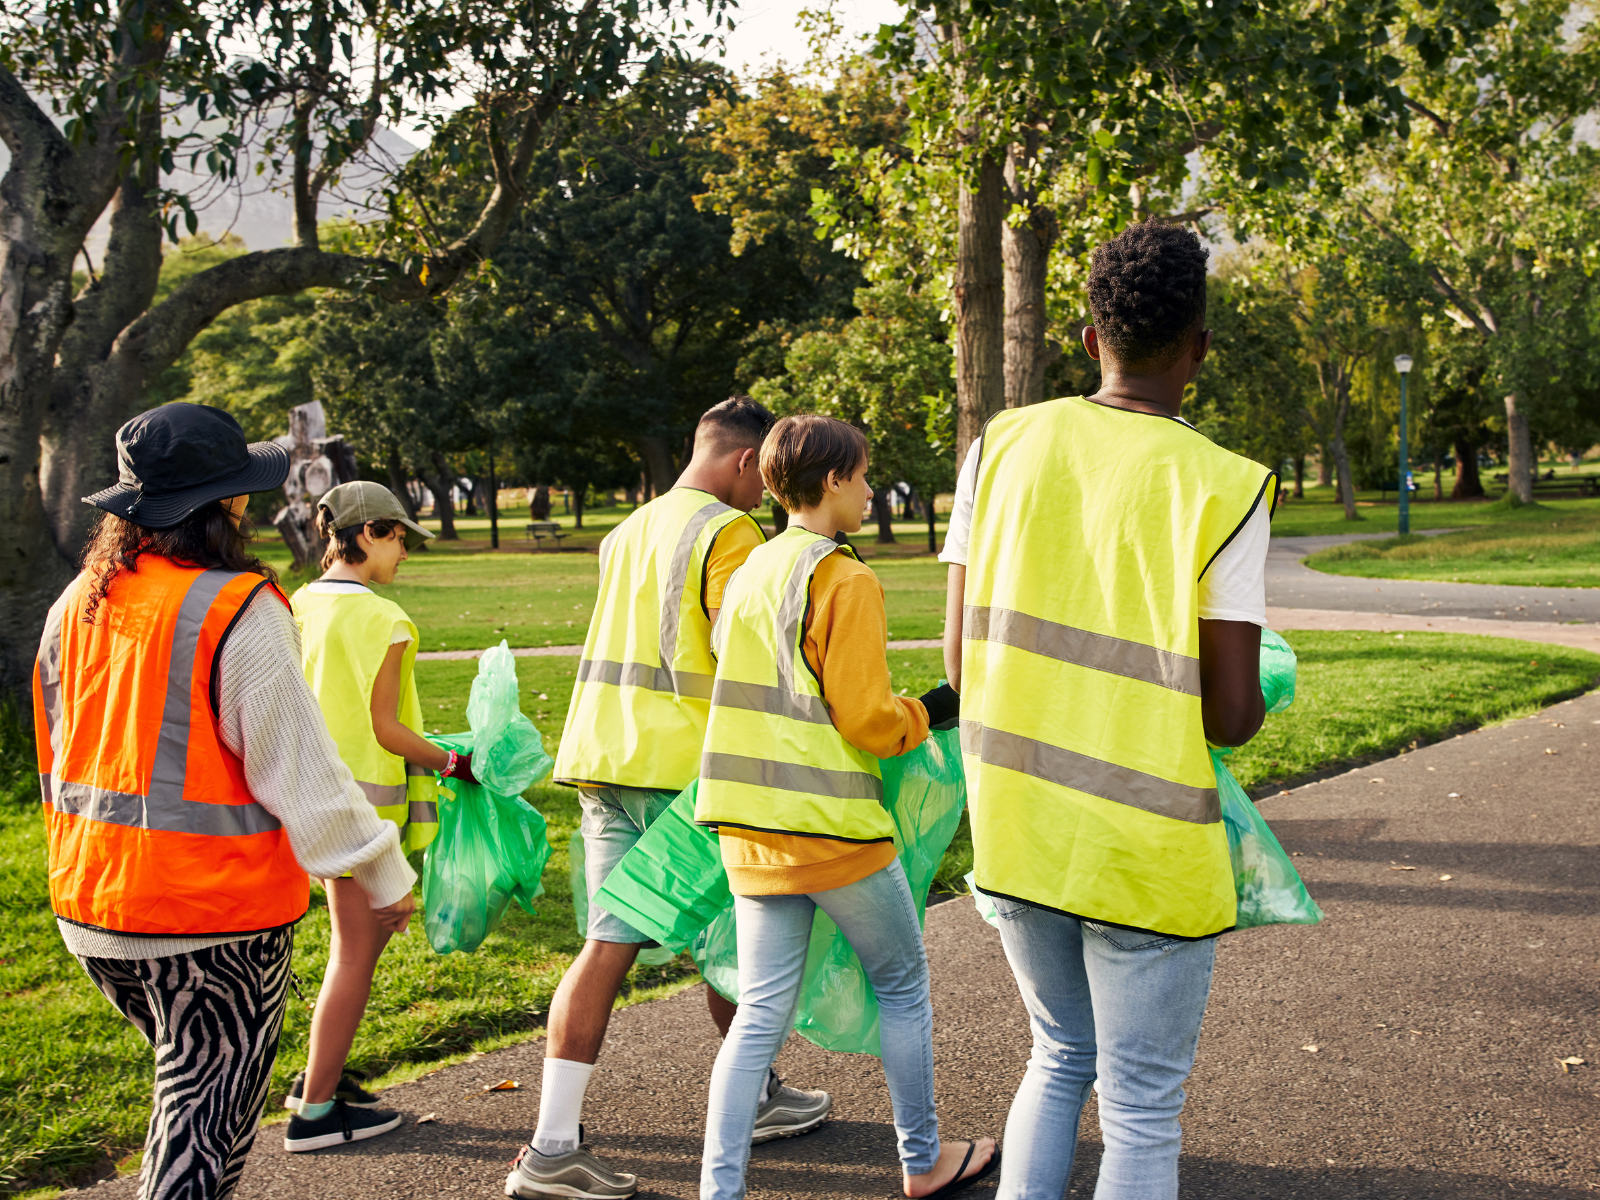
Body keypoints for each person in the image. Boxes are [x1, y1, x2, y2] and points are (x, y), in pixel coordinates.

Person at [941, 220, 1277, 1200]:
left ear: (1090, 340)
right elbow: (1228, 715)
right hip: (1142, 844)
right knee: (1139, 1107)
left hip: (1018, 826)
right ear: (1199, 350)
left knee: (1056, 1056)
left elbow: (962, 663)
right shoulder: (1223, 486)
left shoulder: (999, 446)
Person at [33, 403, 419, 1199]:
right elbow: (302, 770)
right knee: (201, 1148)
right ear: (227, 504)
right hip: (210, 924)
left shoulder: (78, 600)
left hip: (93, 905)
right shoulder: (236, 607)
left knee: (188, 1100)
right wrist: (386, 877)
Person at [506, 397, 832, 1200]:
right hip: (683, 770)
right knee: (734, 934)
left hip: (602, 756)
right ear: (746, 461)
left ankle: (553, 1145)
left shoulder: (629, 529)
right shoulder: (727, 532)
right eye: (764, 478)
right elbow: (743, 646)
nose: (765, 497)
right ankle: (750, 1097)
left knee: (610, 946)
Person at [694, 414, 997, 1200]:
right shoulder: (845, 578)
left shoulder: (754, 569)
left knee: (758, 1016)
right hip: (832, 830)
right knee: (901, 985)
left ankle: (719, 1188)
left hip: (748, 829)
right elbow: (866, 720)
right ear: (831, 481)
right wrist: (932, 707)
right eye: (863, 477)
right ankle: (922, 1160)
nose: (869, 490)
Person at [284, 481, 475, 1148]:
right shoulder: (385, 620)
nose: (404, 553)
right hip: (362, 816)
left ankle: (324, 1076)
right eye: (398, 537)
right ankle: (314, 1112)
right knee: (354, 957)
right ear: (367, 534)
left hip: (306, 803)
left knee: (350, 948)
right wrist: (457, 763)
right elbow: (388, 730)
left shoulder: (299, 605)